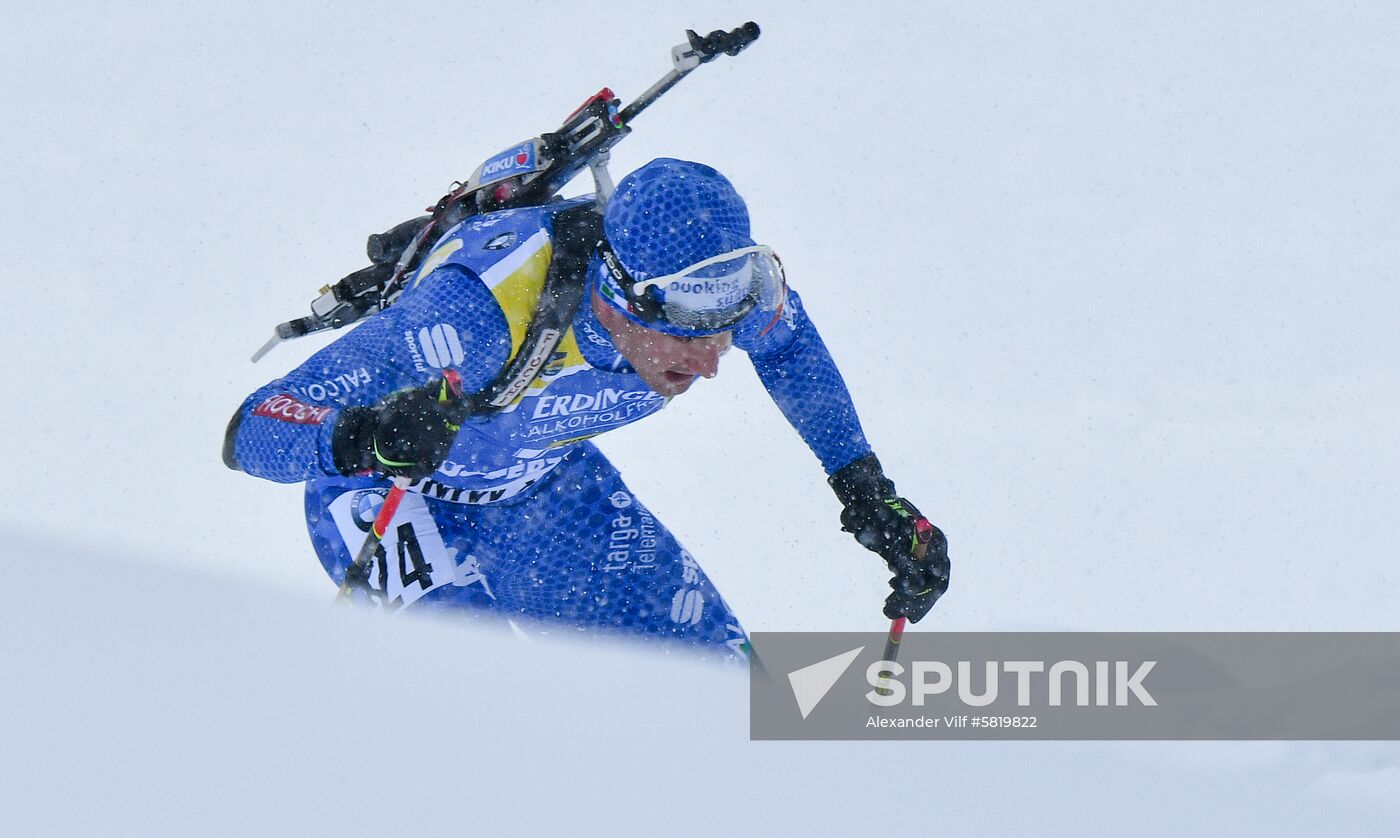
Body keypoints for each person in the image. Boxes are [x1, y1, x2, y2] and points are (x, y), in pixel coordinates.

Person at [223, 158, 949, 661]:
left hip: (537, 491)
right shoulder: (479, 311)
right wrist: (365, 435)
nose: (710, 361)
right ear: (617, 293)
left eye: (724, 332)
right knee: (489, 714)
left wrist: (866, 489)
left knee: (717, 701)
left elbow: (789, 351)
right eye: (683, 339)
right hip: (393, 496)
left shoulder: (725, 295)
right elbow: (254, 426)